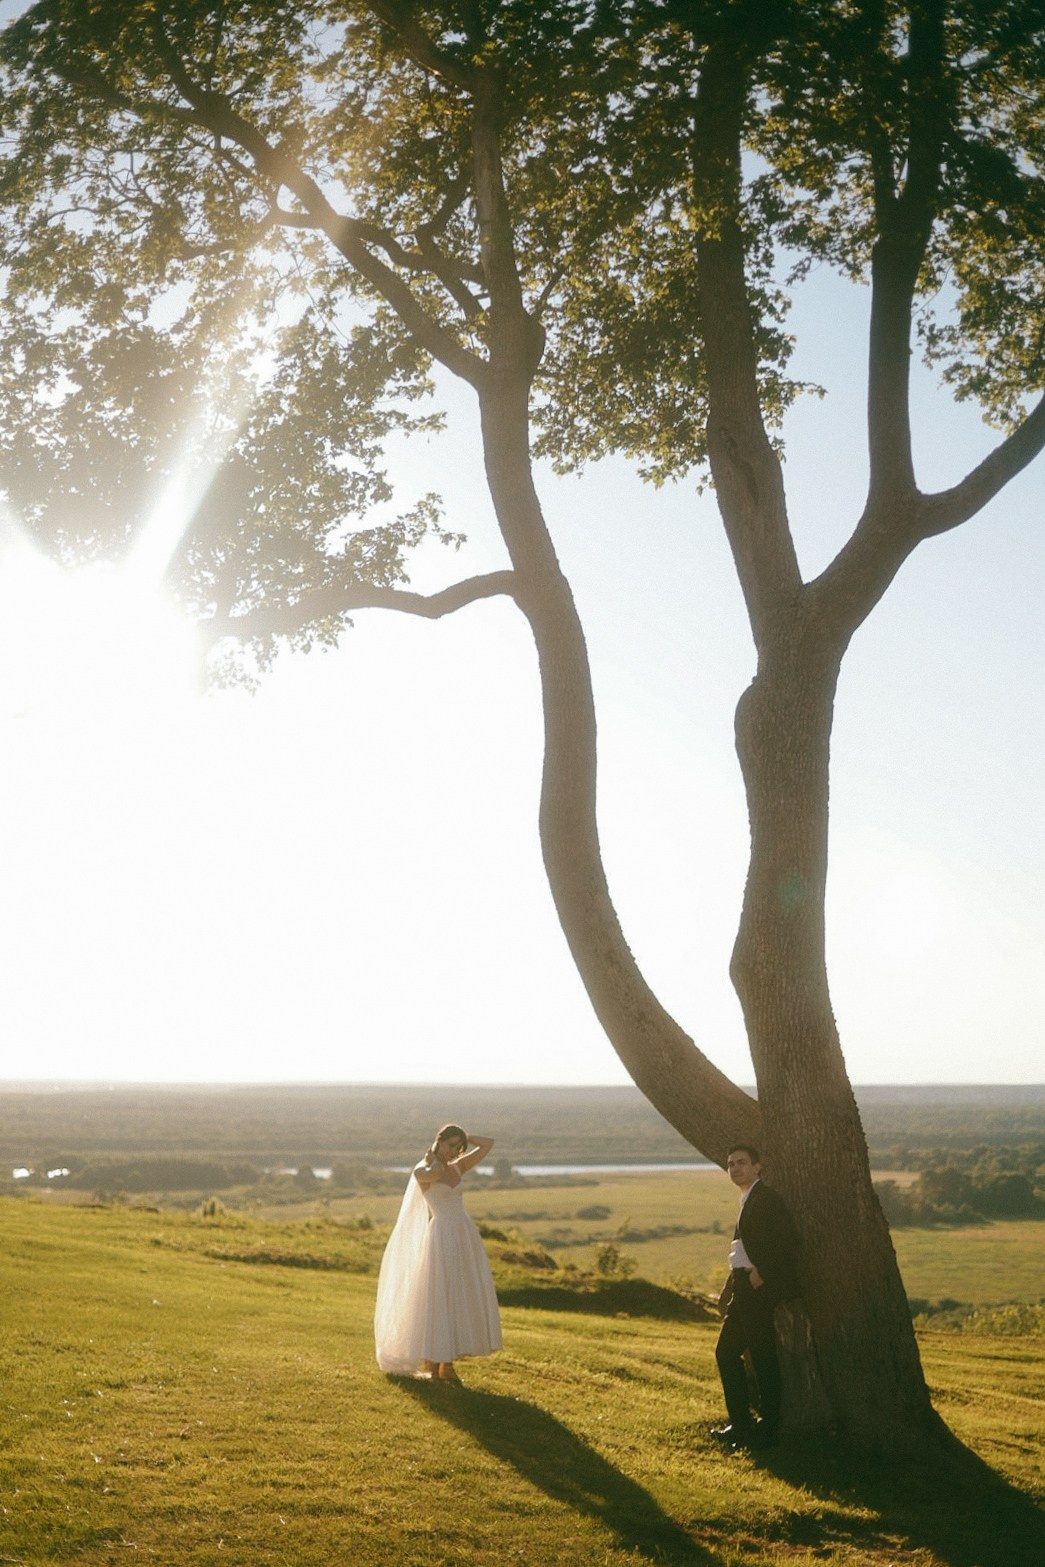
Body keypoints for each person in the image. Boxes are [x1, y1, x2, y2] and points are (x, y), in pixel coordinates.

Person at [374, 1123, 502, 1381]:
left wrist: (466, 1138)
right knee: (439, 1294)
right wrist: (434, 1158)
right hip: (442, 1234)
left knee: (458, 1292)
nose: (454, 1151)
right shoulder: (423, 1170)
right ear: (439, 1141)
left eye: (459, 1147)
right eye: (450, 1145)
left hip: (463, 1233)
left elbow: (488, 1144)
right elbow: (430, 1175)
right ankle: (441, 1363)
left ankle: (439, 1364)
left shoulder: (458, 1166)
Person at [711, 1143, 799, 1450]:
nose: (735, 1168)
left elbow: (788, 1243)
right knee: (726, 1352)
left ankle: (768, 1428)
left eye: (742, 1163)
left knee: (763, 1357)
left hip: (756, 1289)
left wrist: (762, 1274)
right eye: (731, 1164)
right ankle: (742, 1424)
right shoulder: (748, 1198)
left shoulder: (766, 1199)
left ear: (758, 1166)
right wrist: (733, 1283)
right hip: (743, 1287)